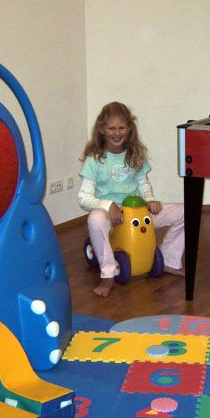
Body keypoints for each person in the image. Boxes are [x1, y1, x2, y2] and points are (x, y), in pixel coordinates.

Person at [78, 102, 184, 298]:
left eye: (121, 128)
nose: (117, 133)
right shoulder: (95, 159)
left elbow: (143, 183)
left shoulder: (136, 154)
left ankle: (169, 259)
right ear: (102, 129)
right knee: (95, 219)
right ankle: (108, 273)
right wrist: (108, 205)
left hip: (137, 214)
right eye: (111, 128)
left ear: (129, 129)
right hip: (112, 217)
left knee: (185, 212)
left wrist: (150, 198)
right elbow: (83, 198)